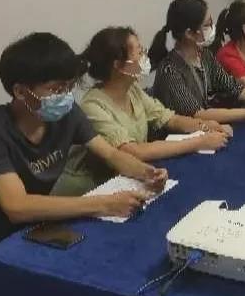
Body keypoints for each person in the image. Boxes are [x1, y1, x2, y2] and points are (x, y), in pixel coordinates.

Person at [0, 33, 168, 296]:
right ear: (20, 91)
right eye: (55, 89)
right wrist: (104, 204)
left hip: (39, 230)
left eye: (68, 87)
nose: (65, 96)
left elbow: (110, 153)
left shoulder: (67, 114)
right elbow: (17, 206)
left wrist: (146, 172)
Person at [51, 27, 233, 196]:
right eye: (139, 52)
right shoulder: (93, 105)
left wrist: (207, 126)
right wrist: (200, 141)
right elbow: (133, 151)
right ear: (118, 65)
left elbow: (169, 118)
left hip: (131, 176)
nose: (144, 56)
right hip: (92, 188)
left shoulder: (132, 90)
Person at [149, 0, 245, 125]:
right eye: (207, 25)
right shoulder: (170, 70)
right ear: (189, 34)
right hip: (182, 137)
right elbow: (198, 114)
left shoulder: (205, 56)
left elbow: (235, 89)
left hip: (208, 130)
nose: (213, 28)